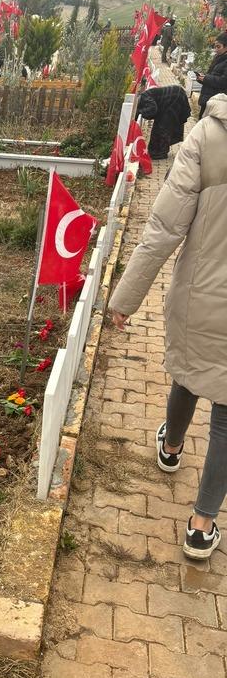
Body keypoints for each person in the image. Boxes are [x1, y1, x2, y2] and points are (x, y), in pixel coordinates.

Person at [109, 92, 227, 559]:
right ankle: (202, 524)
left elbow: (164, 227)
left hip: (201, 293)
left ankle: (172, 446)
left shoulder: (208, 135)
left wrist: (126, 297)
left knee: (190, 372)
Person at [136, 83, 191, 160]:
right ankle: (158, 152)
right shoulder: (145, 96)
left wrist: (140, 112)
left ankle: (160, 153)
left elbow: (153, 109)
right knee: (163, 125)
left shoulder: (144, 97)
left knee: (163, 127)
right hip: (175, 95)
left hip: (175, 97)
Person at [196, 32, 227, 119]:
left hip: (217, 101)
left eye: (218, 46)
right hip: (208, 99)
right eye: (215, 46)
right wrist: (202, 78)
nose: (216, 49)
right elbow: (212, 75)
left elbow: (224, 81)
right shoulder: (218, 57)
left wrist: (206, 78)